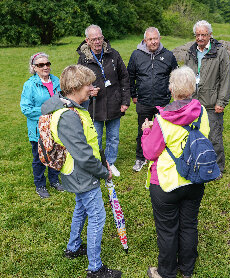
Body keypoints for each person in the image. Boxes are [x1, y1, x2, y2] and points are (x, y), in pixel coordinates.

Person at [41, 65, 122, 278]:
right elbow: (84, 155)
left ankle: (73, 247)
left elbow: (89, 143)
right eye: (89, 84)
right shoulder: (68, 116)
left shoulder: (73, 107)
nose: (92, 88)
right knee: (97, 216)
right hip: (82, 173)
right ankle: (95, 269)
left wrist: (102, 158)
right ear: (76, 86)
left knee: (81, 209)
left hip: (79, 171)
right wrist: (104, 172)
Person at [141, 66, 209, 278]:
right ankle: (187, 269)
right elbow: (205, 135)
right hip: (195, 177)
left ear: (171, 88)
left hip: (166, 182)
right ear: (193, 88)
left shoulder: (162, 119)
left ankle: (167, 273)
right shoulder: (202, 111)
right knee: (189, 224)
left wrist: (147, 131)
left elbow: (150, 152)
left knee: (168, 229)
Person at [76, 24, 130, 177]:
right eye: (94, 39)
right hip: (94, 106)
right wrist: (87, 91)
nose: (98, 42)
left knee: (113, 137)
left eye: (100, 38)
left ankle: (110, 162)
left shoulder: (114, 55)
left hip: (114, 103)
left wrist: (125, 101)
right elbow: (78, 84)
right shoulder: (83, 60)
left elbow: (124, 77)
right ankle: (98, 165)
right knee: (95, 138)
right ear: (87, 40)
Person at [127, 27, 178, 172]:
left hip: (163, 102)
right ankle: (140, 157)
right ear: (145, 41)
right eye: (150, 39)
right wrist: (134, 95)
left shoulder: (168, 55)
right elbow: (130, 76)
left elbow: (175, 76)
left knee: (162, 129)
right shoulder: (136, 55)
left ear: (159, 38)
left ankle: (161, 156)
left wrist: (172, 94)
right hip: (143, 101)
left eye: (155, 38)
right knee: (142, 130)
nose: (153, 42)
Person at [185, 20, 230, 176]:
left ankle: (217, 169)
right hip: (193, 102)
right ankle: (197, 164)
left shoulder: (220, 51)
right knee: (194, 134)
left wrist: (221, 101)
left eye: (203, 34)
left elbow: (225, 78)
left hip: (212, 103)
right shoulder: (191, 52)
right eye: (197, 34)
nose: (200, 38)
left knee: (214, 137)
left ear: (210, 35)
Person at [20, 52, 64, 199]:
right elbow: (26, 109)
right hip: (39, 129)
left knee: (56, 154)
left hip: (56, 126)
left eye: (47, 64)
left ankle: (54, 180)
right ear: (34, 68)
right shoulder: (30, 85)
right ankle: (40, 185)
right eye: (41, 65)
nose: (45, 67)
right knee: (39, 158)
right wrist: (47, 111)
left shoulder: (57, 80)